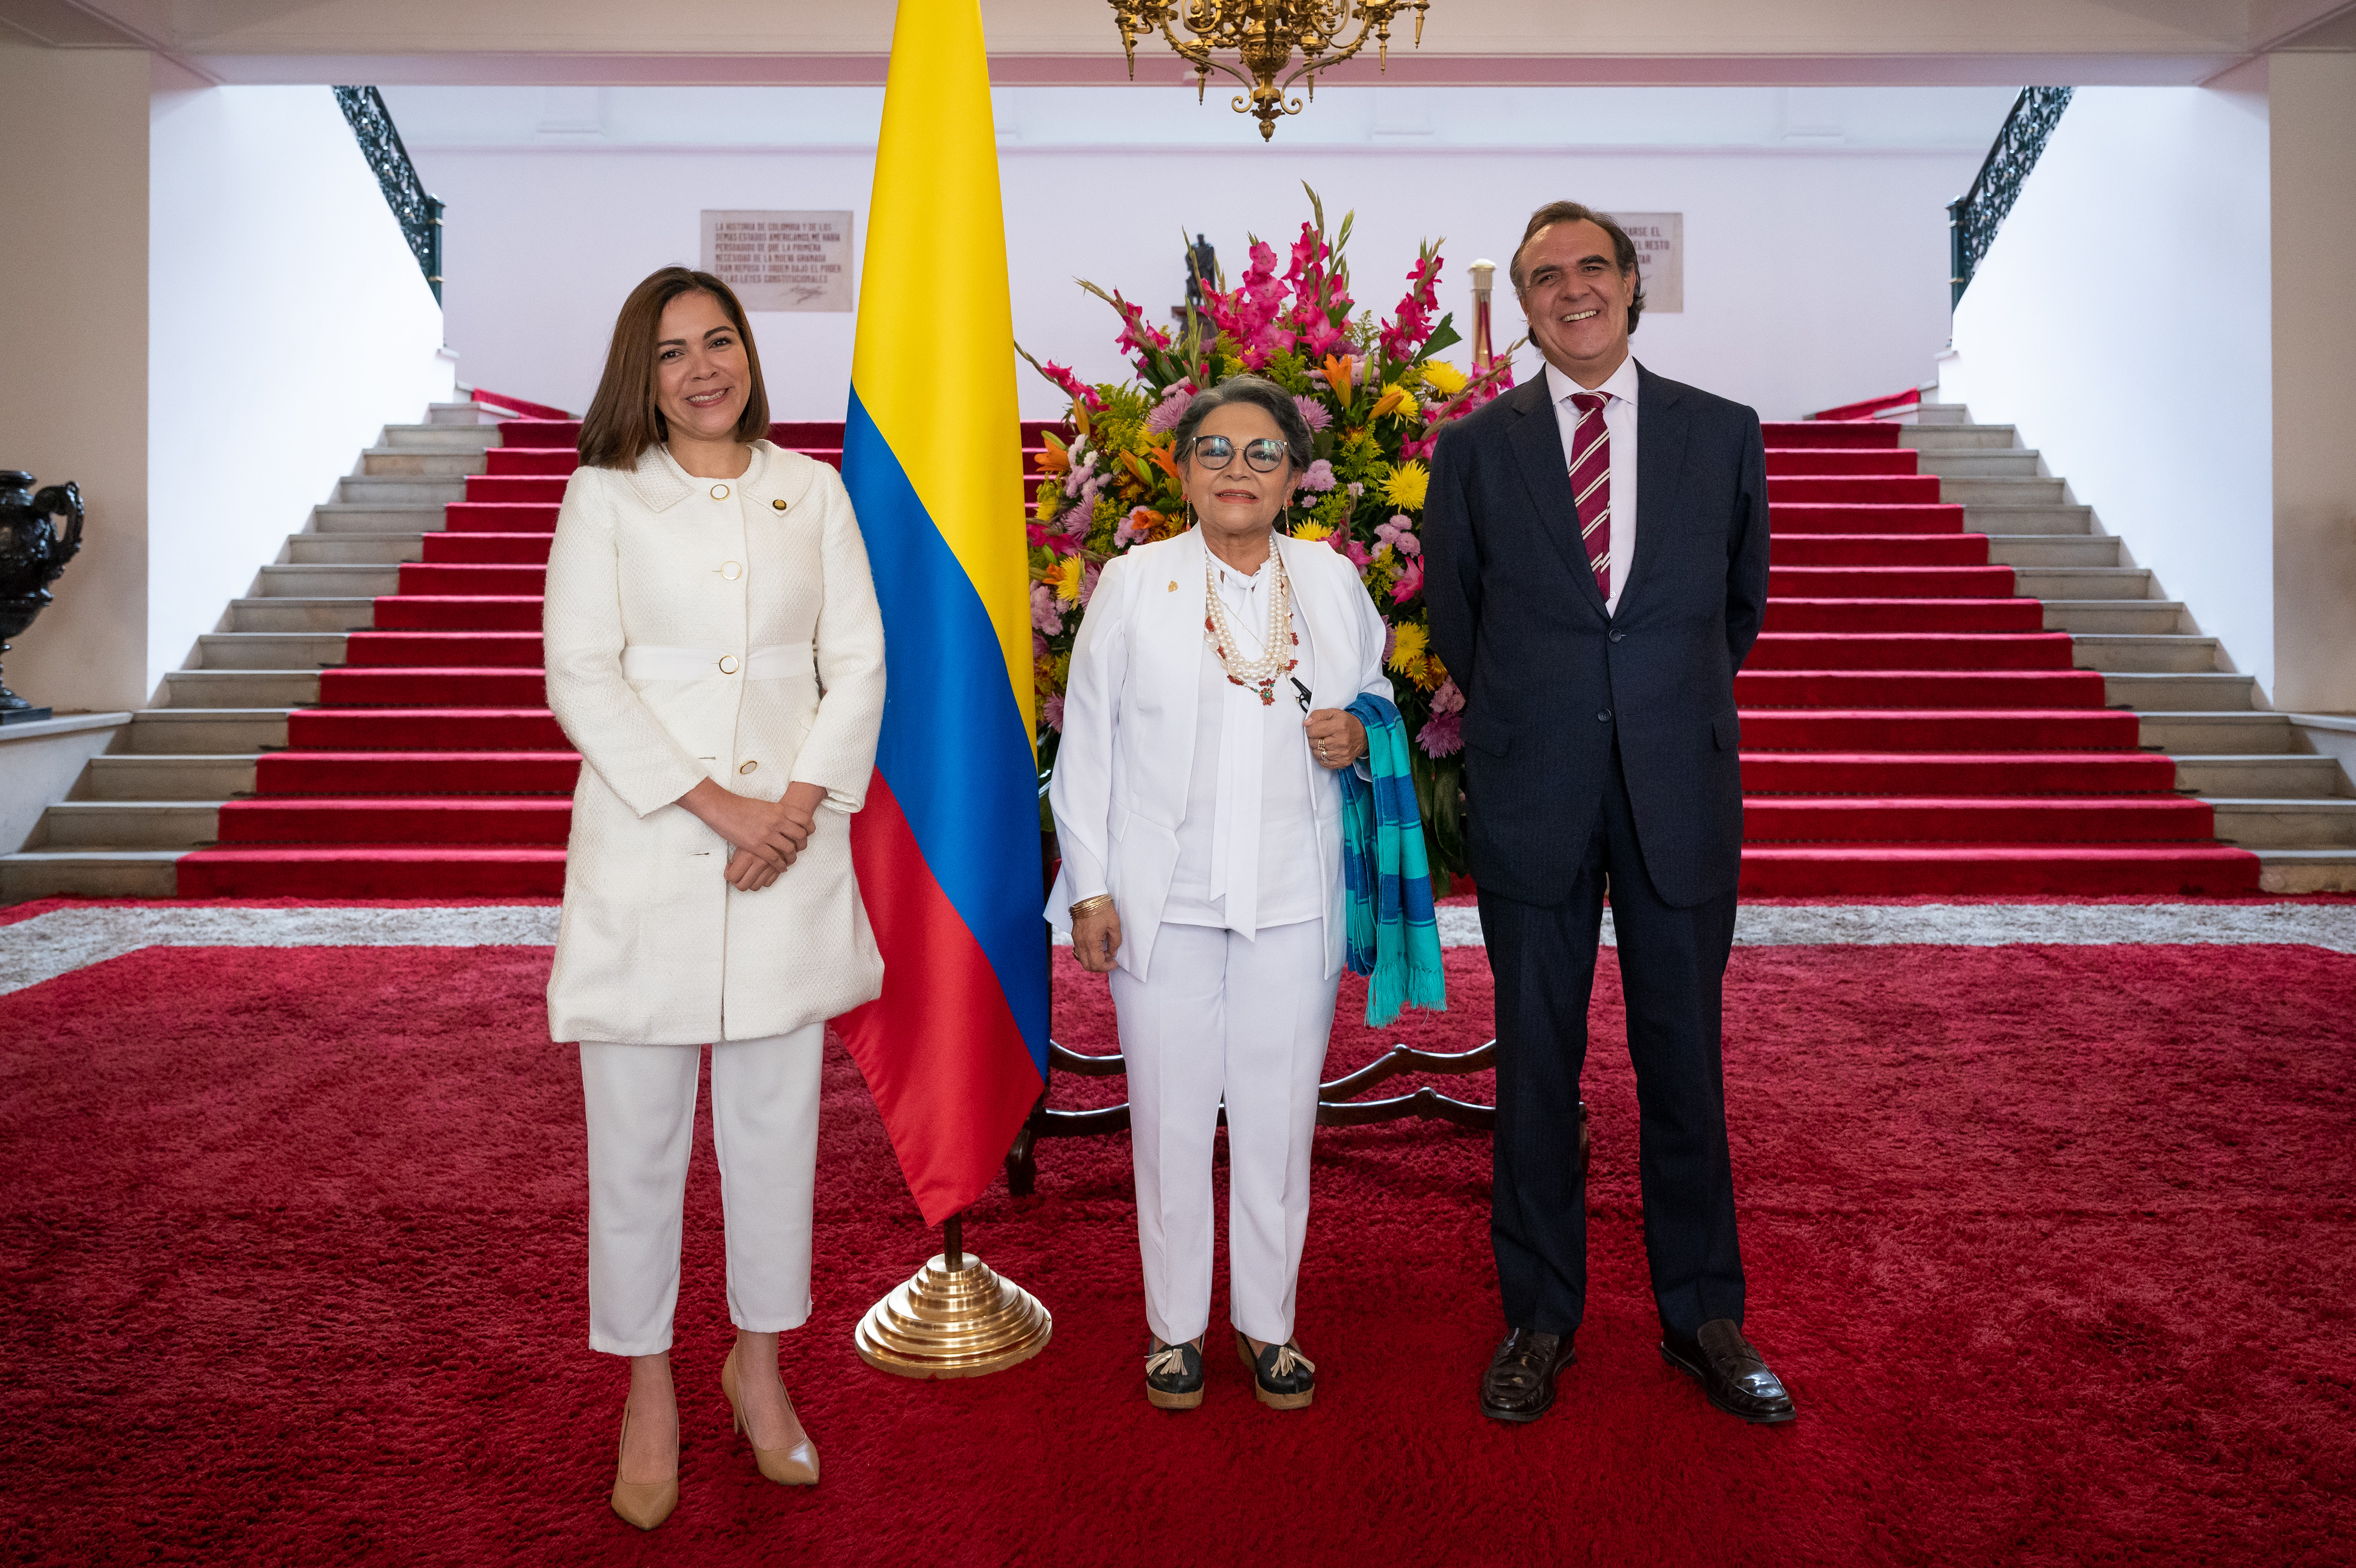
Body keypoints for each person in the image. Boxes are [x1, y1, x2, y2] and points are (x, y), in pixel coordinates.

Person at [1423, 203, 1795, 1425]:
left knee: (1680, 1061)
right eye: (1544, 277)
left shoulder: (1720, 434)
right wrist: (1549, 708)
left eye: (1591, 267)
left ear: (1632, 285)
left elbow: (1730, 612)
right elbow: (1458, 624)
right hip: (1534, 788)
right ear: (1523, 307)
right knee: (1536, 1067)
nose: (1569, 289)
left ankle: (1702, 1313)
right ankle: (1537, 1313)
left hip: (1676, 788)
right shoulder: (1474, 450)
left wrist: (1644, 701)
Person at [542, 265, 887, 1527]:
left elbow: (855, 661)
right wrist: (714, 801)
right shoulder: (604, 494)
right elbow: (579, 671)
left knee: (772, 1138)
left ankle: (759, 1368)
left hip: (787, 858)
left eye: (721, 341)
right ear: (644, 371)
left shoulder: (816, 491)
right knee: (633, 1149)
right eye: (676, 349)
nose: (703, 368)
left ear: (748, 354)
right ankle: (646, 1387)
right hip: (652, 847)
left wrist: (791, 808)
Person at [1048, 374, 1394, 1412]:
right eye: (1216, 451)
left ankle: (1270, 1326)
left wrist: (1358, 731)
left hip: (1296, 897)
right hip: (1165, 901)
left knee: (1283, 1118)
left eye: (1261, 454)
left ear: (1294, 476)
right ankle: (1175, 1328)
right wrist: (1091, 888)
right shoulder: (1133, 581)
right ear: (1183, 469)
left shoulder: (1332, 582)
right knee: (1169, 1119)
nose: (1237, 471)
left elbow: (1376, 696)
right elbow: (1088, 746)